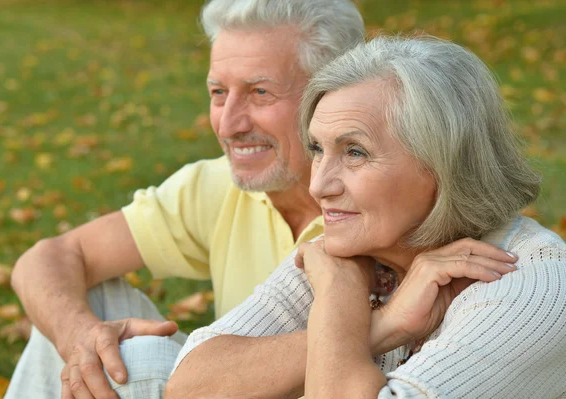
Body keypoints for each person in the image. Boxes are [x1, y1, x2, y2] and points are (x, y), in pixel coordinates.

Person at [167, 35, 566, 398]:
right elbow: (189, 386)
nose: (319, 186)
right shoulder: (354, 251)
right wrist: (382, 324)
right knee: (140, 361)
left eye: (354, 152)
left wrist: (337, 300)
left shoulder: (532, 286)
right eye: (318, 149)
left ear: (443, 165)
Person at [4, 1, 365, 398]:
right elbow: (46, 259)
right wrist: (77, 336)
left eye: (260, 92)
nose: (228, 124)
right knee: (86, 322)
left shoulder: (389, 202)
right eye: (218, 92)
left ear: (332, 94)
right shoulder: (216, 187)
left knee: (138, 363)